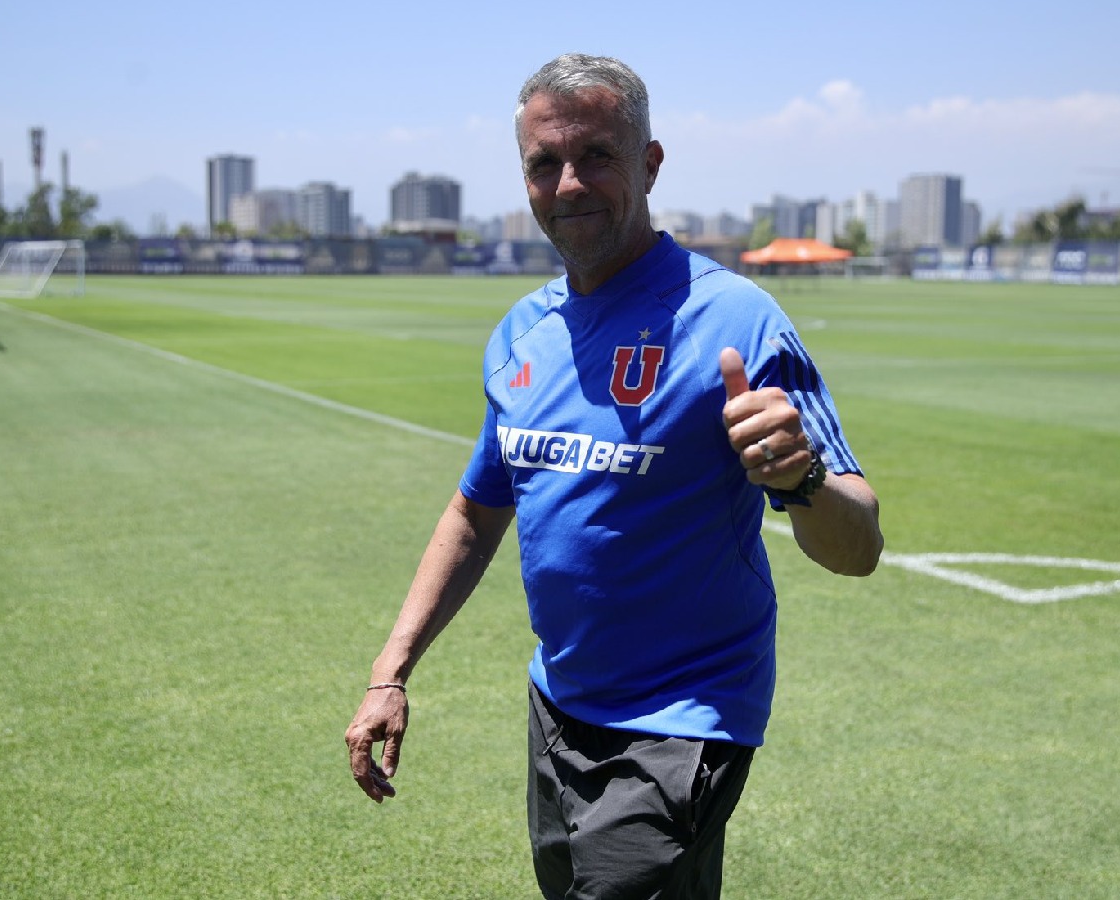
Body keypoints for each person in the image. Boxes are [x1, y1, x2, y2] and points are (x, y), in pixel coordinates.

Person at [346, 52, 883, 899]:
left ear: (650, 164)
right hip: (557, 703)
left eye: (596, 155)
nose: (568, 184)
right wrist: (391, 670)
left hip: (682, 719)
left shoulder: (737, 318)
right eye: (543, 163)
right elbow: (476, 514)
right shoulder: (523, 332)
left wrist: (803, 478)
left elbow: (859, 545)